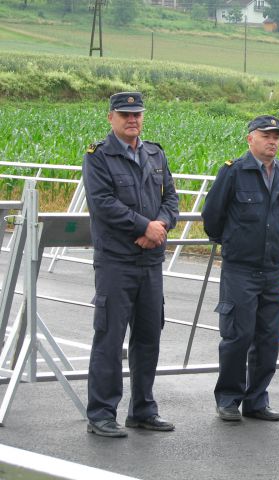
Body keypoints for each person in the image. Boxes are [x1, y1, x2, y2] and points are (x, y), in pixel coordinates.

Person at [83, 92, 179, 437]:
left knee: (148, 337)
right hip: (116, 263)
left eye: (137, 114)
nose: (132, 120)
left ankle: (142, 410)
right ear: (111, 118)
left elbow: (171, 199)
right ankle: (101, 414)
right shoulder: (98, 157)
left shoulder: (155, 153)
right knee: (109, 338)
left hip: (150, 261)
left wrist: (160, 226)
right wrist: (144, 226)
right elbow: (103, 204)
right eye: (124, 114)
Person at [201, 115, 279, 422]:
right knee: (237, 336)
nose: (273, 141)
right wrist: (231, 241)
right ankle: (229, 398)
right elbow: (212, 214)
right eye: (266, 135)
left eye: (277, 137)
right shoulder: (234, 172)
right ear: (250, 139)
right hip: (241, 267)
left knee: (269, 337)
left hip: (271, 268)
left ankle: (257, 400)